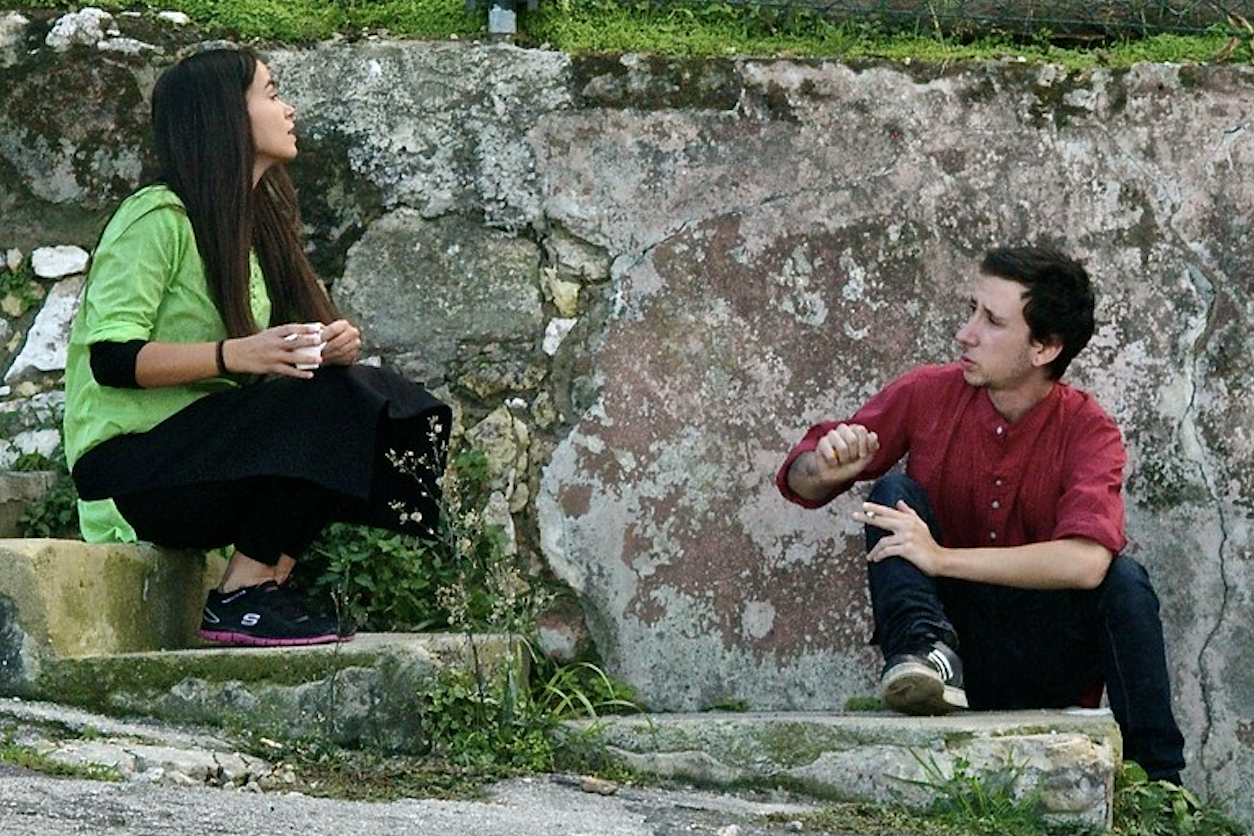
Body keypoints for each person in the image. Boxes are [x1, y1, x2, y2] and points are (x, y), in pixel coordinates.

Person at [63, 47, 451, 648]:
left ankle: (267, 584)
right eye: (271, 94)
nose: (287, 108)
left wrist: (330, 346)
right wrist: (234, 355)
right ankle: (240, 595)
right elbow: (112, 359)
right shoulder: (155, 218)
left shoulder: (256, 228)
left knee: (383, 405)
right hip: (130, 474)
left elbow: (299, 367)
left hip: (205, 463)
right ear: (226, 117)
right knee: (330, 403)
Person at [776, 246, 1186, 784]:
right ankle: (924, 655)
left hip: (1046, 663)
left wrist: (941, 558)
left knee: (1124, 580)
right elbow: (802, 480)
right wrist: (827, 467)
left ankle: (1159, 782)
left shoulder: (1089, 429)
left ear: (1045, 347)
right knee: (894, 489)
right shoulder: (927, 392)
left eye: (991, 321)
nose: (965, 334)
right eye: (973, 311)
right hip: (955, 649)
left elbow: (1086, 562)